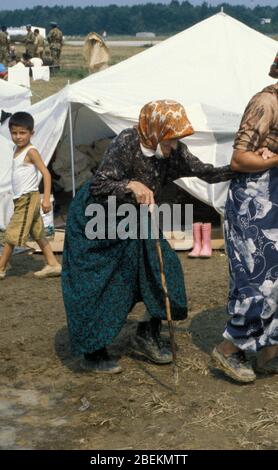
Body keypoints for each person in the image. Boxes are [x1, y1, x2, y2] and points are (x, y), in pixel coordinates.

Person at [62, 100, 236, 374]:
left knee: (164, 270)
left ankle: (147, 333)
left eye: (176, 140)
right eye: (169, 141)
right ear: (154, 133)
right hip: (97, 218)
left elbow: (207, 172)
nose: (174, 147)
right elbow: (100, 185)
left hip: (136, 218)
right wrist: (131, 184)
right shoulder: (127, 143)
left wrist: (242, 167)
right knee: (98, 283)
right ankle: (93, 351)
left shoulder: (174, 153)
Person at [212, 57, 278, 383]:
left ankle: (269, 350)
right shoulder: (266, 102)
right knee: (257, 279)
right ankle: (229, 348)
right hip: (254, 202)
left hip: (275, 199)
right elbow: (239, 158)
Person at [0, 112, 62, 280]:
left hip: (29, 198)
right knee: (37, 232)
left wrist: (46, 198)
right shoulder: (16, 149)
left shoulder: (31, 151)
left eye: (22, 133)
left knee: (12, 232)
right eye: (14, 133)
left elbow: (46, 174)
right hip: (21, 199)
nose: (18, 137)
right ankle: (53, 264)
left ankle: (1, 267)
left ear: (31, 133)